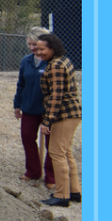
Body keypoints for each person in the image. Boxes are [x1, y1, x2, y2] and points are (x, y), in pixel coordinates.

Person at [37, 33, 82, 207]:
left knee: (56, 152)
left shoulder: (55, 65)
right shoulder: (63, 60)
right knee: (65, 151)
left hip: (64, 114)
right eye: (37, 49)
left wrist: (47, 121)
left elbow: (56, 95)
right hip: (71, 113)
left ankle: (62, 195)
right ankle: (74, 190)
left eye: (42, 49)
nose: (38, 52)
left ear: (52, 48)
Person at [13, 26, 55, 187]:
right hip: (29, 108)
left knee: (52, 144)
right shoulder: (26, 61)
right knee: (27, 137)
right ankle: (33, 171)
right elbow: (21, 84)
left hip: (48, 110)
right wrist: (17, 104)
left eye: (35, 44)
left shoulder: (53, 62)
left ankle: (51, 176)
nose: (32, 47)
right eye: (29, 44)